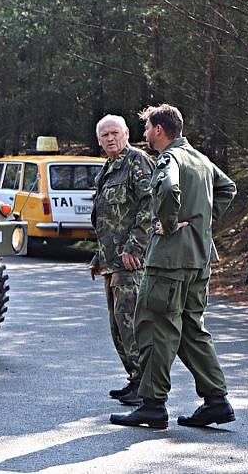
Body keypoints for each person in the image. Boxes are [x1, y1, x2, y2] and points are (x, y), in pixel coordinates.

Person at [110, 104, 236, 429]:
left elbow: (168, 188)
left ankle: (152, 405)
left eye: (148, 128)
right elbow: (227, 188)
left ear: (159, 130)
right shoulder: (202, 160)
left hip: (168, 261)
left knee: (155, 325)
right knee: (191, 329)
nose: (145, 134)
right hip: (198, 259)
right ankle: (216, 400)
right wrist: (200, 226)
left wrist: (167, 224)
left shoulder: (170, 159)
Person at [90, 114, 153, 406]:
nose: (110, 138)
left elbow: (149, 207)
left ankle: (146, 387)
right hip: (111, 262)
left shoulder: (137, 163)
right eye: (105, 135)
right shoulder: (108, 169)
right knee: (118, 327)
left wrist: (135, 248)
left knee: (131, 325)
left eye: (115, 132)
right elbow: (108, 219)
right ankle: (135, 380)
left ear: (127, 133)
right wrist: (97, 257)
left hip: (129, 262)